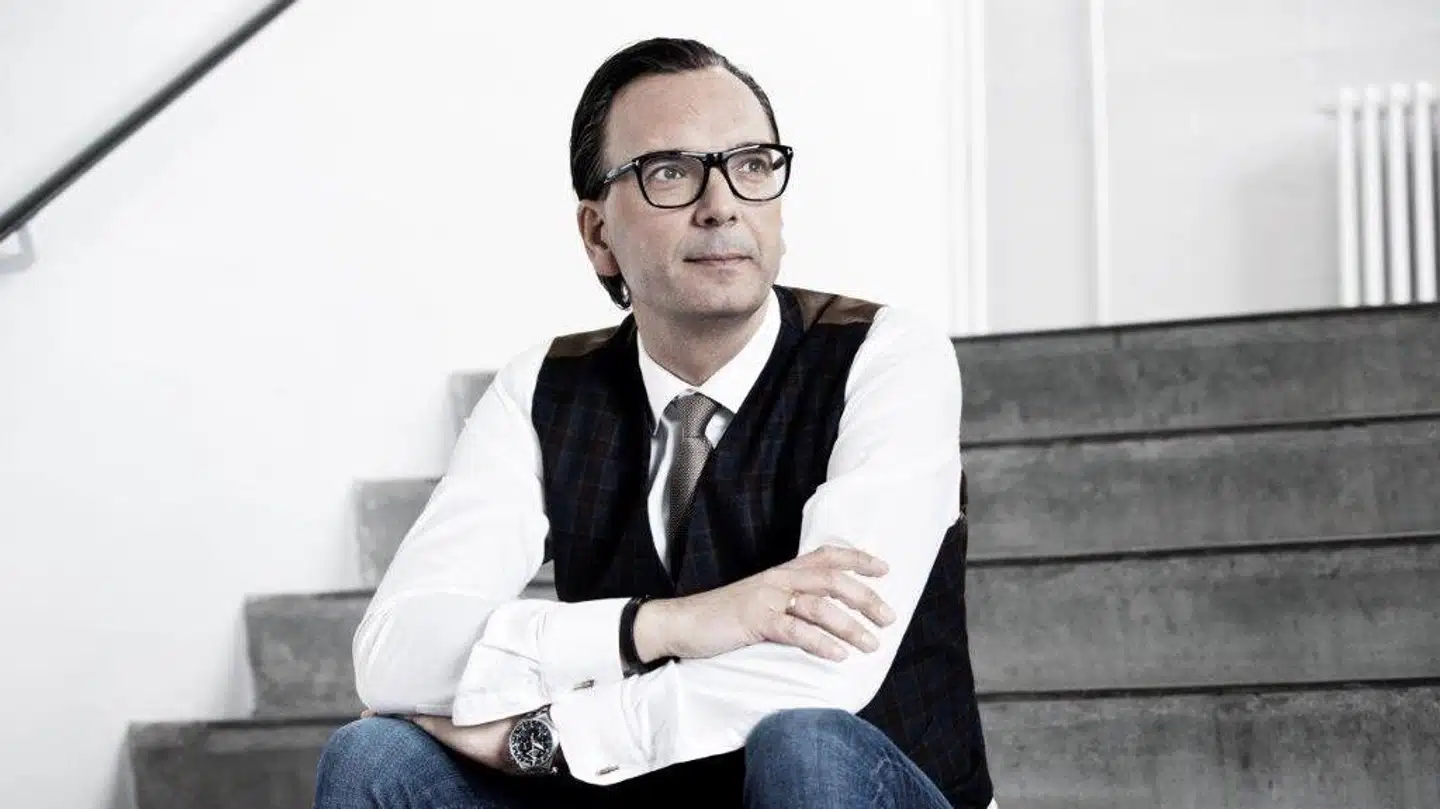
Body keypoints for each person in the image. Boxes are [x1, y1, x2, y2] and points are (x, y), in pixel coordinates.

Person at [313, 36, 996, 809]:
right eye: (669, 171)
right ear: (597, 234)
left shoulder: (884, 356)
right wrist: (660, 626)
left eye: (751, 165)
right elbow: (395, 654)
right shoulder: (541, 391)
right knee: (376, 758)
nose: (722, 205)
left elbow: (829, 661)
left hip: (851, 787)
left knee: (802, 744)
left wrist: (546, 735)